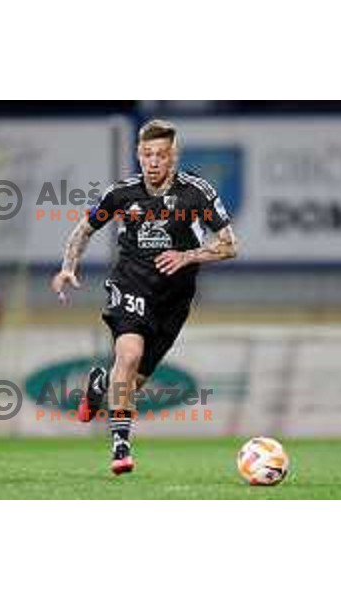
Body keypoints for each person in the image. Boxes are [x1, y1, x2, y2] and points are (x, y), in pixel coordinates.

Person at [51, 119, 238, 474]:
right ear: (138, 155)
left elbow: (230, 245)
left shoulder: (196, 193)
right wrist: (67, 267)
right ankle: (121, 444)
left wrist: (189, 255)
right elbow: (84, 229)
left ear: (174, 157)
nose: (153, 162)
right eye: (147, 154)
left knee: (132, 379)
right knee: (129, 353)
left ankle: (100, 383)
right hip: (130, 285)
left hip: (174, 299)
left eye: (161, 155)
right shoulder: (121, 194)